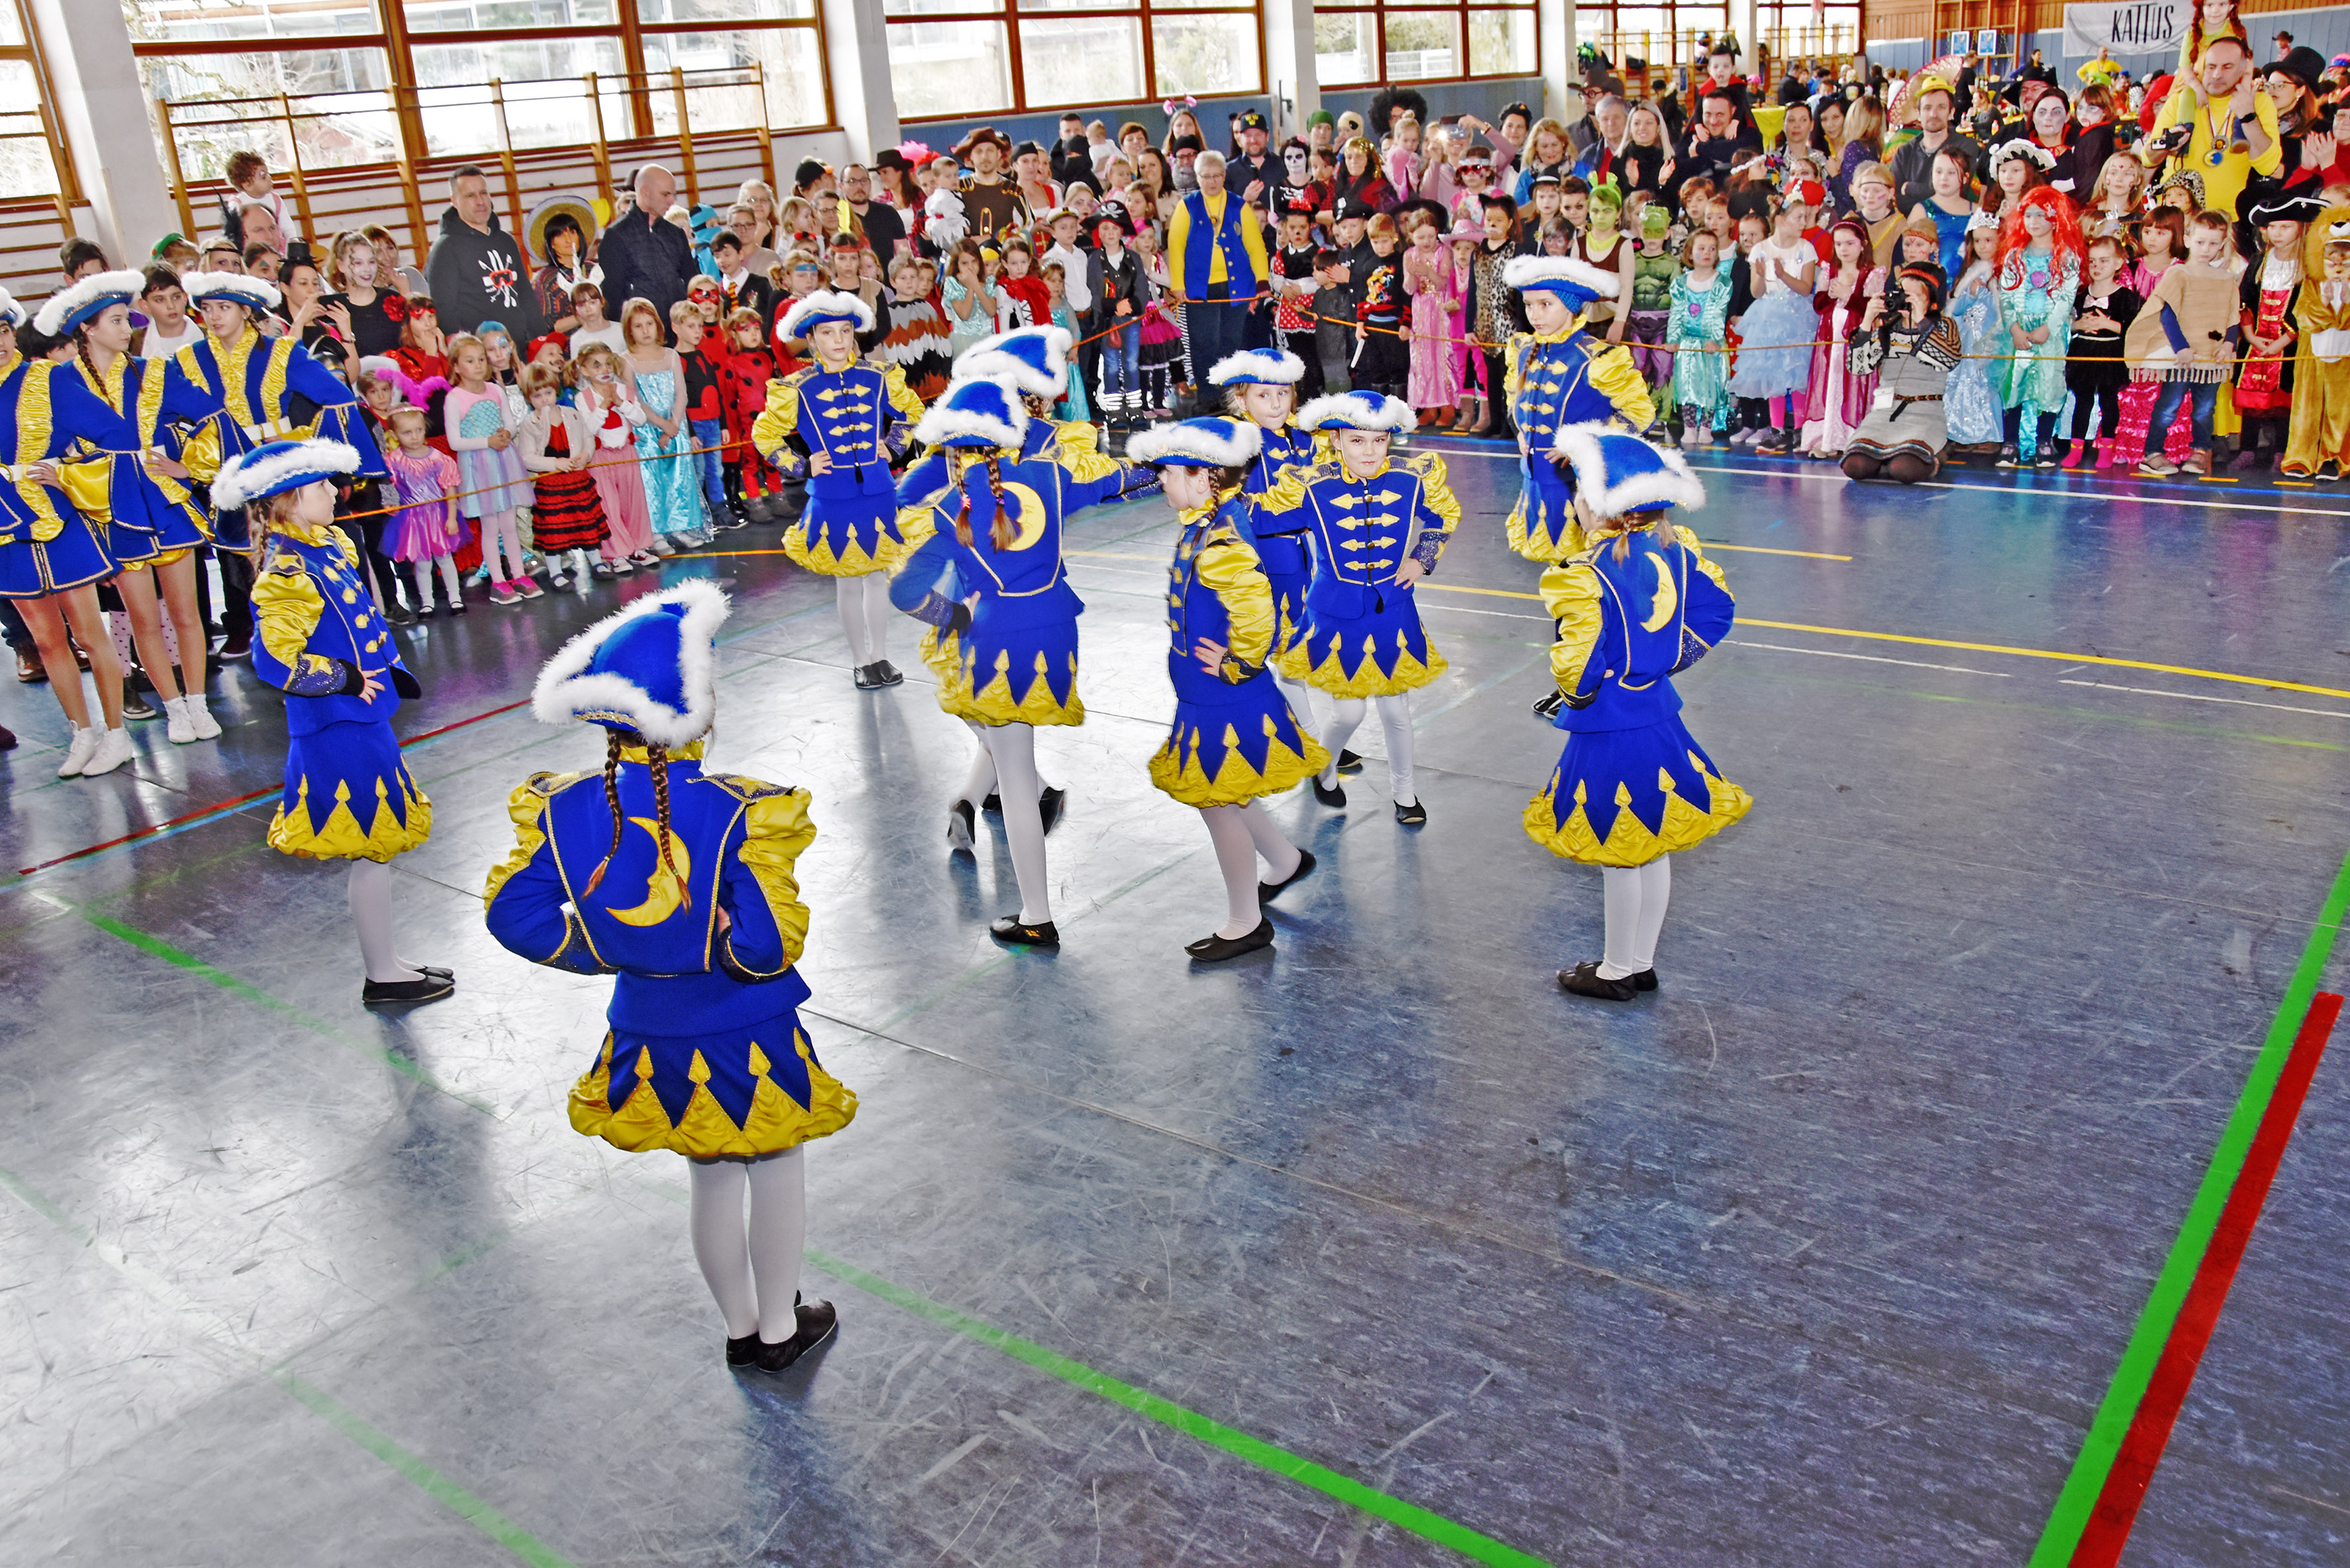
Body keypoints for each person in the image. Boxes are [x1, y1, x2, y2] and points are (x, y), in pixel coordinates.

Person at [487, 581, 852, 1374]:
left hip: (652, 1028)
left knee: (710, 1181)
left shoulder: (565, 807)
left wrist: (603, 948)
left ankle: (741, 1329)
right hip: (748, 1026)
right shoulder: (739, 810)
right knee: (777, 1166)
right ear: (695, 713)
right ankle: (781, 1330)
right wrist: (721, 940)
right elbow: (766, 947)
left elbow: (513, 916)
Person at [889, 379, 1140, 945]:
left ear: (954, 447)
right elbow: (1122, 481)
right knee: (1016, 767)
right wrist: (1166, 463)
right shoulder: (1051, 478)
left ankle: (1036, 916)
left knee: (1017, 780)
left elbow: (904, 592)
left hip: (993, 648)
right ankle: (1020, 887)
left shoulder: (948, 509)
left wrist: (954, 616)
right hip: (1056, 640)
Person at [216, 438, 447, 1006]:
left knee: (377, 849)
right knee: (370, 846)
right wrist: (343, 678)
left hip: (360, 718)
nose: (335, 493)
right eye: (321, 486)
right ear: (288, 500)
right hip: (335, 725)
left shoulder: (326, 543)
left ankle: (389, 962)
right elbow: (275, 660)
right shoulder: (288, 570)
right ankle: (382, 975)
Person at [1526, 425, 1747, 999]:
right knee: (1650, 842)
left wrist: (1580, 693)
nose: (1573, 501)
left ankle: (1614, 971)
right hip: (1656, 715)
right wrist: (1662, 662)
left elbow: (1577, 663)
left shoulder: (1585, 572)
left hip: (1608, 726)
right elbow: (1717, 610)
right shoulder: (1674, 548)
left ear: (1602, 506)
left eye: (1579, 490)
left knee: (1618, 849)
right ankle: (1639, 962)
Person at [1122, 415, 1324, 961]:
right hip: (1205, 693)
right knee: (1230, 789)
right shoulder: (1209, 519)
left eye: (1168, 472)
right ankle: (1284, 860)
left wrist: (1237, 664)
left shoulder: (1220, 541)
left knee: (1216, 802)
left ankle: (1245, 921)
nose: (1161, 481)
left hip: (1222, 697)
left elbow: (1257, 611)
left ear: (1203, 475)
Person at [1257, 391, 1459, 824]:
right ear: (1336, 440)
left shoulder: (1412, 478)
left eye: (1378, 440)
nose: (1369, 451)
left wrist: (1421, 558)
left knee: (1396, 713)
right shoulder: (1312, 485)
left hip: (1393, 612)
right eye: (1356, 441)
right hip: (1334, 615)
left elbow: (1444, 514)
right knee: (1349, 712)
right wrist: (1216, 489)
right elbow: (1260, 518)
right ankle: (1323, 768)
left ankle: (1404, 793)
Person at [751, 289, 925, 688]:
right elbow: (766, 434)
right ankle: (861, 660)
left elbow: (912, 411)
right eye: (827, 332)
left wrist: (894, 445)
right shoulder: (797, 386)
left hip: (879, 491)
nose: (838, 340)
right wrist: (801, 465)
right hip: (833, 495)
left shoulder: (878, 375)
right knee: (847, 580)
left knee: (878, 577)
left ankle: (881, 655)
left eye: (845, 330)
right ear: (811, 339)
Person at [0, 286, 141, 776]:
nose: (0, 341)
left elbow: (116, 433)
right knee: (44, 641)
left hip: (59, 522)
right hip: (7, 533)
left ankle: (117, 735)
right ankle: (82, 735)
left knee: (87, 632)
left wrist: (69, 472)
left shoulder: (46, 378)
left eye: (3, 329)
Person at [1499, 254, 1655, 574]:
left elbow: (1639, 414)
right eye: (1529, 305)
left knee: (1585, 571)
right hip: (1535, 482)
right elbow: (1515, 396)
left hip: (1578, 487)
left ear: (1570, 307)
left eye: (1546, 305)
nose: (1535, 315)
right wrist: (1520, 431)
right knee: (1556, 574)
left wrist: (1585, 446)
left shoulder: (1597, 359)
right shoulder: (1523, 350)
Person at [2126, 209, 2242, 475]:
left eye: (2213, 243)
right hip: (2182, 358)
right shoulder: (2178, 274)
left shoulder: (2227, 279)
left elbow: (2232, 317)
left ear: (2222, 245)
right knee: (2168, 407)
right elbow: (2167, 314)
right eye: (2201, 242)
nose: (2206, 249)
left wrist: (2229, 344)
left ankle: (2200, 451)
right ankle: (2153, 453)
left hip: (2212, 358)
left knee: (2205, 409)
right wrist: (2181, 348)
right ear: (2188, 239)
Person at [1843, 261, 1963, 482]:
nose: (1905, 301)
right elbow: (1858, 368)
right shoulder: (1887, 328)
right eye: (1902, 294)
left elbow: (1950, 359)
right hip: (1885, 412)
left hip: (1924, 412)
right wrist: (1867, 322)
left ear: (1931, 299)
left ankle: (1939, 455)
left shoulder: (1944, 326)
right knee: (1855, 467)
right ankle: (1888, 458)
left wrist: (1921, 322)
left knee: (1904, 470)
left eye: (1912, 297)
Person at [2144, 34, 2279, 221]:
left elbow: (2268, 166)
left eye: (2227, 67)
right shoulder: (2180, 100)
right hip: (2176, 217)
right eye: (2211, 66)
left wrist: (2248, 116)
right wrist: (2167, 144)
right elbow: (2148, 158)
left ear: (2243, 69)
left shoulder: (2259, 102)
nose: (2217, 75)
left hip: (2228, 219)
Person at [1167, 151, 1272, 385]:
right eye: (1206, 176)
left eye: (1217, 176)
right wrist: (1178, 285)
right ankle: (1207, 395)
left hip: (1237, 287)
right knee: (1203, 343)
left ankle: (1229, 394)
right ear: (1197, 178)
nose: (1212, 181)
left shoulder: (1239, 206)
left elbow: (1255, 245)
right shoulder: (1186, 207)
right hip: (1199, 288)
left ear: (1224, 176)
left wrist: (1262, 280)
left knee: (1232, 342)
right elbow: (1176, 246)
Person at [1727, 199, 1819, 454]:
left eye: (1805, 217)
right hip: (1768, 316)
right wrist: (1760, 275)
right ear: (1780, 220)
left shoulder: (1806, 248)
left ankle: (1799, 429)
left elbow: (1805, 288)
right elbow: (1757, 293)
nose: (1803, 223)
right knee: (1773, 374)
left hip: (1797, 316)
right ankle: (1777, 430)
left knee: (1798, 373)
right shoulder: (1761, 249)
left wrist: (1782, 275)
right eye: (1798, 217)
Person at [423, 166, 547, 343]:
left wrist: (542, 340)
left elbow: (525, 294)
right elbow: (444, 310)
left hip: (520, 346)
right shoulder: (444, 249)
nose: (480, 201)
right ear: (455, 201)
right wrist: (468, 352)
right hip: (481, 353)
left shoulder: (506, 240)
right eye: (470, 196)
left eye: (483, 193)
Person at [515, 361, 608, 592]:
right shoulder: (530, 424)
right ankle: (556, 572)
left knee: (586, 521)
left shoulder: (572, 414)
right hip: (551, 483)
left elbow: (588, 438)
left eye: (548, 393)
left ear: (555, 390)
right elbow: (527, 457)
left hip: (577, 479)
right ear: (529, 398)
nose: (544, 400)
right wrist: (555, 463)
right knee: (554, 529)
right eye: (537, 396)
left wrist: (585, 455)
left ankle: (597, 562)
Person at [1798, 218, 1884, 460]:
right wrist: (1832, 295)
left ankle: (1852, 439)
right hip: (1830, 338)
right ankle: (1826, 439)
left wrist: (1849, 294)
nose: (1843, 249)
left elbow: (1872, 307)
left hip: (1856, 339)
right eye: (1838, 244)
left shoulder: (1872, 274)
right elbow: (1819, 304)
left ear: (1863, 245)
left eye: (1850, 243)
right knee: (1829, 384)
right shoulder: (1830, 271)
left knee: (1852, 384)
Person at [570, 342, 659, 571]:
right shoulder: (583, 398)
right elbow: (588, 429)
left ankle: (639, 546)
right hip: (600, 458)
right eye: (597, 366)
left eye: (608, 364)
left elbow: (640, 419)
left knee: (634, 502)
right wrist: (604, 405)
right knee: (608, 506)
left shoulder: (625, 391)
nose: (604, 370)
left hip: (627, 454)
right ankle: (617, 553)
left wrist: (621, 403)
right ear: (585, 370)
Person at [2061, 235, 2142, 469]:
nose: (2097, 266)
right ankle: (2076, 449)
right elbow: (2068, 324)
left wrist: (2109, 324)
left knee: (2109, 401)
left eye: (2104, 261)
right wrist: (2078, 325)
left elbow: (2134, 329)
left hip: (2110, 354)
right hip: (2083, 353)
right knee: (2083, 401)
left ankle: (2107, 448)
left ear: (2118, 263)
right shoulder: (2080, 295)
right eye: (2092, 261)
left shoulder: (2126, 296)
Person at [2282, 218, 2350, 480]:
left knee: (2340, 407)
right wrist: (2325, 302)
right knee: (2307, 406)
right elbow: (2304, 316)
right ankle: (2301, 457)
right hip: (2314, 354)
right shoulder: (2312, 284)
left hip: (2344, 355)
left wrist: (2346, 303)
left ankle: (2334, 457)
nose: (2338, 267)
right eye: (2331, 262)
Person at [598, 165, 696, 340]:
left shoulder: (675, 233)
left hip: (680, 332)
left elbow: (692, 280)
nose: (672, 202)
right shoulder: (617, 235)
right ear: (644, 192)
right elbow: (613, 295)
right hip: (642, 336)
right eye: (665, 195)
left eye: (673, 195)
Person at [1668, 228, 1735, 446]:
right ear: (1690, 252)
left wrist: (1714, 339)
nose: (1707, 253)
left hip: (1710, 345)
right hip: (1688, 343)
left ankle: (1706, 428)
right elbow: (1677, 313)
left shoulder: (1722, 283)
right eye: (1702, 248)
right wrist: (1673, 339)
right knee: (1686, 385)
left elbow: (1718, 313)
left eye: (1712, 249)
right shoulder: (1680, 283)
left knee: (1710, 386)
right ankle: (1689, 428)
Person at [1890, 74, 1985, 213]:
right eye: (1927, 108)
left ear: (1951, 113)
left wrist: (1910, 188)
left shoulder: (1965, 147)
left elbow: (1959, 193)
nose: (1934, 114)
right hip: (1910, 225)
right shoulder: (1904, 152)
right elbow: (1895, 198)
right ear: (1918, 114)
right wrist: (1936, 193)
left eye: (1941, 107)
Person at [526, 195, 601, 336]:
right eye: (560, 235)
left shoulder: (594, 270)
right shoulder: (547, 279)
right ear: (552, 244)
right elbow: (547, 326)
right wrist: (584, 316)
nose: (568, 240)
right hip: (568, 345)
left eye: (572, 232)